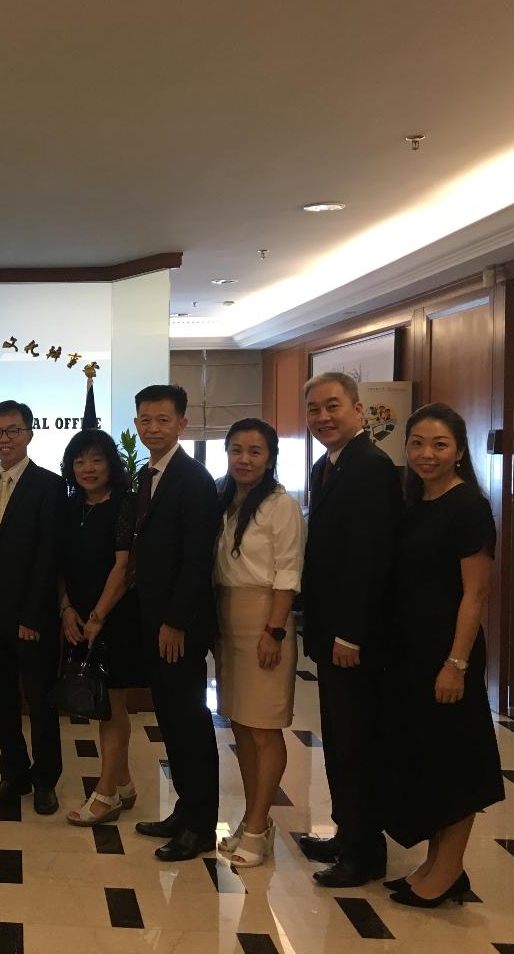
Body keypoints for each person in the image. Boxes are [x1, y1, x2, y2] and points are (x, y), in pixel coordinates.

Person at [383, 403, 503, 908]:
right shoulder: (416, 503)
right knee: (428, 758)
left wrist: (456, 663)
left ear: (458, 451)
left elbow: (474, 595)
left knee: (455, 760)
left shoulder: (468, 506)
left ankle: (449, 870)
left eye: (439, 445)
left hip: (447, 654)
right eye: (417, 444)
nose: (427, 454)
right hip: (412, 653)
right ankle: (435, 865)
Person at [299, 371, 402, 887]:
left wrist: (351, 634)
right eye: (314, 409)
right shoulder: (328, 467)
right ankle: (346, 834)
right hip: (329, 631)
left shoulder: (371, 467)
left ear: (359, 411)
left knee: (358, 745)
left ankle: (365, 854)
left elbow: (370, 558)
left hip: (353, 639)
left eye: (333, 406)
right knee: (338, 741)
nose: (323, 418)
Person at [130, 384, 221, 862]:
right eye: (145, 419)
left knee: (188, 720)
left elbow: (196, 559)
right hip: (155, 618)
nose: (153, 428)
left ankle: (201, 826)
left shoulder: (192, 479)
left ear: (182, 424)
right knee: (170, 718)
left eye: (163, 420)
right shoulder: (150, 475)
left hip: (177, 626)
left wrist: (176, 622)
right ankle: (185, 810)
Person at [212, 418, 304, 866]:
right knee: (242, 726)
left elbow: (288, 573)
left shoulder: (281, 505)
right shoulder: (224, 499)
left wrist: (275, 630)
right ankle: (254, 819)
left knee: (265, 728)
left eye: (255, 451)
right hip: (228, 616)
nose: (244, 459)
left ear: (270, 458)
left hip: (265, 618)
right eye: (236, 450)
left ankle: (256, 825)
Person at [0, 400, 64, 815]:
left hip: (31, 619)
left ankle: (46, 780)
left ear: (29, 433)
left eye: (13, 430)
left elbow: (49, 553)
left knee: (41, 702)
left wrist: (33, 615)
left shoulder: (50, 485)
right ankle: (14, 772)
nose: (4, 439)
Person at [57, 427, 144, 826]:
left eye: (96, 459)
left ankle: (106, 794)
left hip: (117, 620)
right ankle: (123, 784)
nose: (87, 468)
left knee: (111, 706)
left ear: (111, 463)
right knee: (105, 704)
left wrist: (97, 617)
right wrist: (67, 609)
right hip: (79, 617)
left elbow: (123, 567)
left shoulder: (125, 504)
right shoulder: (70, 505)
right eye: (79, 460)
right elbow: (59, 565)